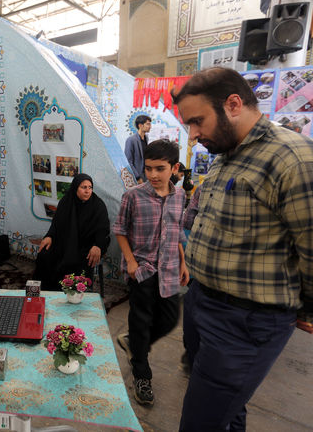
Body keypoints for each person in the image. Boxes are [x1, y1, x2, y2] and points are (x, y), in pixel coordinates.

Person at [172, 67, 313, 431]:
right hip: (204, 304)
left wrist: (306, 307)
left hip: (245, 324)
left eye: (197, 121)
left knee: (199, 422)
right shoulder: (227, 155)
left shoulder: (291, 157)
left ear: (233, 104)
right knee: (228, 411)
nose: (193, 135)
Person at [113, 139, 189, 406]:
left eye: (160, 169)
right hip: (142, 271)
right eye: (148, 169)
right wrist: (131, 262)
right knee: (142, 321)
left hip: (169, 269)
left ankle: (135, 344)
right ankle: (141, 373)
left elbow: (177, 232)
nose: (153, 175)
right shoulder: (133, 196)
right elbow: (120, 231)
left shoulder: (181, 197)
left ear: (174, 168)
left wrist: (182, 262)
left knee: (169, 320)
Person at [33, 173, 110, 291]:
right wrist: (49, 236)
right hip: (65, 242)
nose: (87, 191)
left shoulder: (98, 205)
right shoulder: (66, 201)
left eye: (90, 187)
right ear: (75, 188)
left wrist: (98, 245)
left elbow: (103, 230)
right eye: (83, 187)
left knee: (77, 263)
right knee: (45, 254)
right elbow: (56, 224)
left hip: (87, 245)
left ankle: (73, 293)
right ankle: (47, 291)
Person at [124, 115, 151, 183]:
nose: (150, 126)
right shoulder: (131, 140)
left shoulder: (146, 139)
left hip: (146, 176)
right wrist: (137, 177)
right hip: (136, 176)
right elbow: (128, 161)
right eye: (148, 124)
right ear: (140, 125)